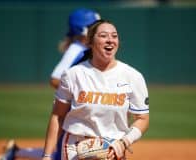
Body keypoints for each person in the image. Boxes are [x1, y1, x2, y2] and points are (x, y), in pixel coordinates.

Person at [0, 8, 101, 160]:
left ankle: (15, 152)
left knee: (66, 152)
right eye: (94, 25)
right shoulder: (76, 49)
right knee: (65, 153)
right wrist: (80, 94)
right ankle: (16, 153)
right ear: (83, 29)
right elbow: (55, 78)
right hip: (70, 109)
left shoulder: (87, 49)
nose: (98, 29)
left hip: (80, 108)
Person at [42, 19, 149, 160]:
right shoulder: (74, 74)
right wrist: (47, 155)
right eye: (103, 35)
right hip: (76, 149)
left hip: (113, 150)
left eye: (114, 36)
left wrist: (125, 142)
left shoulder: (133, 76)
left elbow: (142, 118)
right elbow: (58, 116)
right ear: (90, 42)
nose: (110, 40)